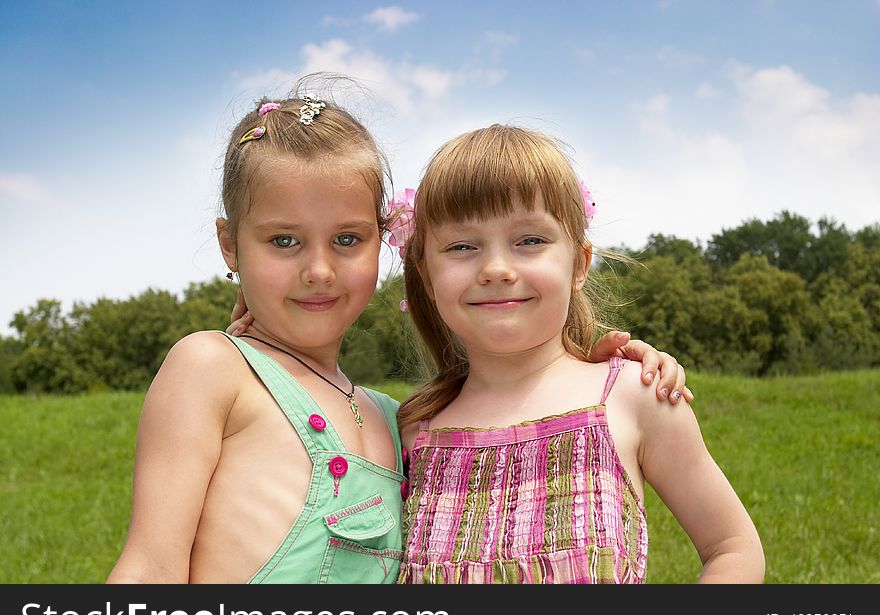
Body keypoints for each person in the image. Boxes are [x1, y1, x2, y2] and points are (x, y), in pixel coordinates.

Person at [108, 82, 688, 584]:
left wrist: (595, 365)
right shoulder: (210, 367)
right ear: (230, 244)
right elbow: (150, 570)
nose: (318, 269)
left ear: (385, 244)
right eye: (283, 241)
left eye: (347, 239)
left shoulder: (396, 420)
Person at [395, 124, 764, 584]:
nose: (495, 269)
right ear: (427, 277)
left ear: (580, 263)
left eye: (529, 240)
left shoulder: (633, 396)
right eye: (462, 246)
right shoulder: (411, 433)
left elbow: (732, 547)